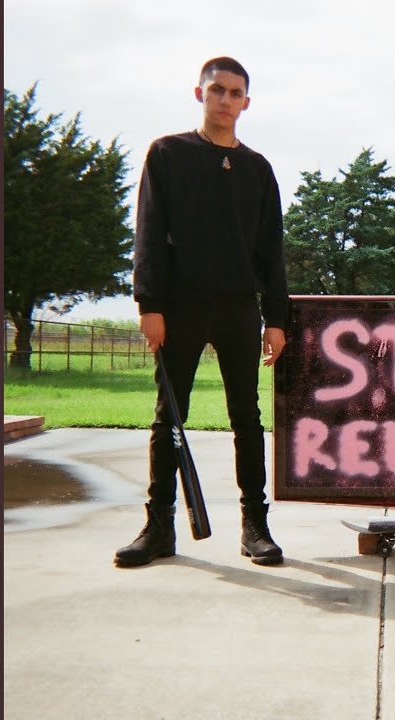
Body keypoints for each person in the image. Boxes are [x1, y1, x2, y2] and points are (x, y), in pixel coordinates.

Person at [115, 56, 289, 568]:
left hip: (238, 308)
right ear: (200, 93)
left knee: (247, 418)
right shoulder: (168, 153)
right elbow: (148, 231)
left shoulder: (257, 169)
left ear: (247, 103)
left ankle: (255, 526)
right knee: (169, 416)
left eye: (235, 93)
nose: (226, 100)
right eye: (217, 90)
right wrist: (150, 304)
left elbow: (271, 250)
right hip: (180, 308)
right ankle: (158, 525)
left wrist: (276, 319)